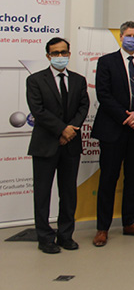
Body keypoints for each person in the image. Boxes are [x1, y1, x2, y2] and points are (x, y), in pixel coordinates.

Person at [92, 21, 134, 247]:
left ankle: (131, 222)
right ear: (121, 37)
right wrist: (127, 117)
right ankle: (102, 228)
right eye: (129, 35)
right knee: (109, 179)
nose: (132, 38)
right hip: (113, 130)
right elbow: (103, 94)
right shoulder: (106, 62)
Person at [26, 37, 89, 254]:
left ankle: (65, 235)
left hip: (70, 145)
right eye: (55, 53)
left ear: (69, 54)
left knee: (68, 192)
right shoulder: (35, 80)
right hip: (45, 145)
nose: (60, 57)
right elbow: (38, 111)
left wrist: (71, 129)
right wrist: (62, 129)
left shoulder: (79, 80)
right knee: (42, 193)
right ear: (48, 56)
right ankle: (44, 237)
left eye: (64, 52)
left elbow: (83, 106)